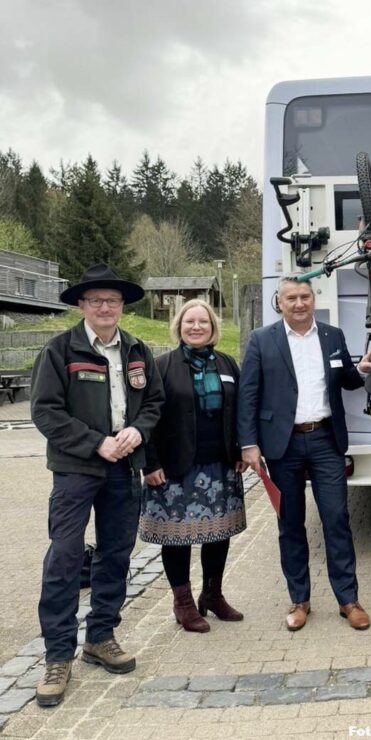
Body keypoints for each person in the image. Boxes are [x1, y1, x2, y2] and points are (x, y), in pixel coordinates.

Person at [30, 264, 164, 707]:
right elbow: (46, 412)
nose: (105, 307)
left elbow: (154, 403)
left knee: (115, 555)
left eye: (113, 301)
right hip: (75, 471)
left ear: (122, 307)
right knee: (65, 557)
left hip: (125, 471)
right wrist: (96, 444)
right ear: (83, 306)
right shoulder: (59, 350)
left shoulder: (137, 348)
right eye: (96, 301)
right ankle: (57, 655)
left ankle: (101, 636)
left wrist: (139, 432)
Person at [238, 276, 371, 631]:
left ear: (313, 299)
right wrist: (249, 443)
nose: (299, 303)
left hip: (326, 440)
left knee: (336, 519)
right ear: (279, 302)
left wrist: (359, 371)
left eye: (304, 297)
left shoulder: (332, 336)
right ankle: (300, 600)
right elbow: (248, 395)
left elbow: (344, 378)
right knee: (291, 525)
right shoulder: (261, 340)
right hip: (283, 446)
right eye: (291, 298)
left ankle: (348, 600)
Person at [140, 299, 246, 633]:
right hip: (175, 469)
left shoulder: (227, 364)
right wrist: (150, 463)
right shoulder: (161, 366)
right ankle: (183, 604)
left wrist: (242, 448)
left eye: (203, 322)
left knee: (219, 532)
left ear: (213, 328)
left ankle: (212, 595)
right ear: (179, 327)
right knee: (178, 538)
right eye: (190, 322)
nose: (196, 327)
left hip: (220, 465)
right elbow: (146, 418)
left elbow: (240, 410)